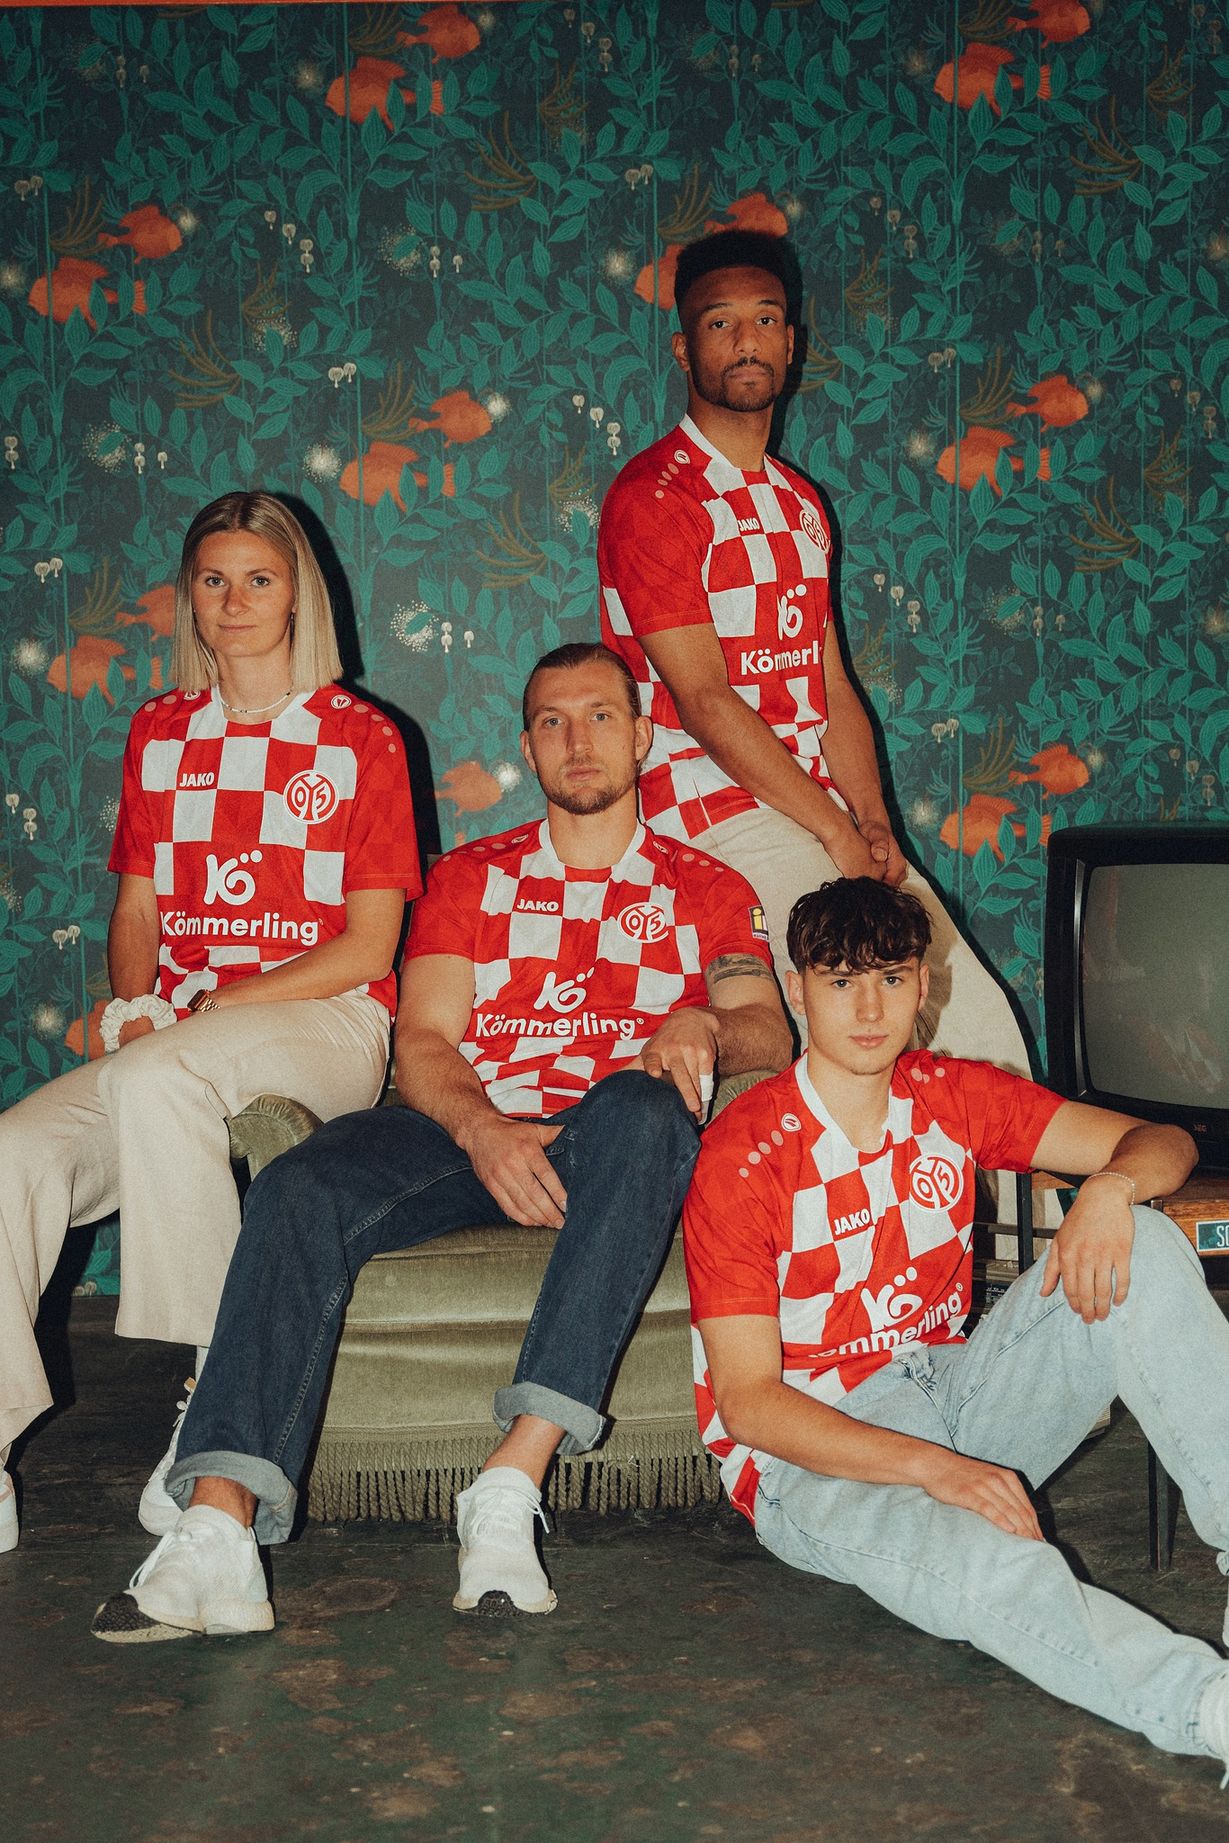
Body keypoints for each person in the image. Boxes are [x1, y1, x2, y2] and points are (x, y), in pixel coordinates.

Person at [90, 642, 792, 1641]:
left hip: (608, 1136)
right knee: (297, 1185)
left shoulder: (705, 885)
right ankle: (219, 1525)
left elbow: (766, 1028)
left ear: (641, 736)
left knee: (646, 1110)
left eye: (599, 716)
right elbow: (421, 1040)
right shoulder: (469, 876)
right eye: (550, 721)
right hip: (464, 1124)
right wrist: (481, 1128)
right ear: (526, 748)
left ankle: (509, 1481)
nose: (577, 739)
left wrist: (706, 1025)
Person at [683, 875, 1229, 1774]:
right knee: (980, 1556)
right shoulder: (743, 1154)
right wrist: (937, 1469)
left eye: (891, 979)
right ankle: (1203, 1706)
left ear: (923, 986)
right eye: (840, 981)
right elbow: (749, 1405)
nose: (869, 1009)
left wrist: (1109, 1187)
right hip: (810, 1450)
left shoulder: (948, 1093)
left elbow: (1164, 1142)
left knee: (1143, 1242)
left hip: (952, 1387)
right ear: (798, 991)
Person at [0, 491, 420, 1554]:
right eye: (213, 579)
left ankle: (214, 1412)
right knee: (14, 1152)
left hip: (328, 1021)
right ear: (188, 595)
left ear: (298, 594)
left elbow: (371, 947)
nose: (234, 601)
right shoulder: (159, 730)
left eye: (259, 579)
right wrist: (141, 1002)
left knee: (162, 1076)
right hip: (183, 1035)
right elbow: (136, 910)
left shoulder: (362, 736)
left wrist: (209, 1004)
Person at [597, 227, 1028, 1080]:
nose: (746, 339)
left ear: (791, 343)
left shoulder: (800, 503)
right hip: (708, 811)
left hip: (810, 805)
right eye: (719, 323)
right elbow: (703, 702)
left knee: (964, 1010)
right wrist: (834, 830)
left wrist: (871, 821)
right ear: (683, 349)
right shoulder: (654, 496)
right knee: (884, 991)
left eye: (765, 319)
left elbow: (829, 683)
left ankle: (1011, 1170)